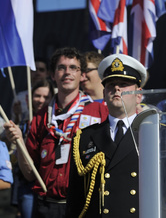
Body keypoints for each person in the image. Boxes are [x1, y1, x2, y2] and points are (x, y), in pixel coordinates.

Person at [4, 47, 109, 218]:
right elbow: (30, 174)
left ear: (82, 75)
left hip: (85, 206)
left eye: (73, 67)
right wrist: (19, 143)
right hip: (47, 207)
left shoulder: (99, 111)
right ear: (53, 75)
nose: (67, 72)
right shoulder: (40, 117)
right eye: (61, 67)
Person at [66, 53, 147, 218]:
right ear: (104, 94)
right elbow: (75, 198)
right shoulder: (84, 138)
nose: (116, 89)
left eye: (124, 84)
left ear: (139, 95)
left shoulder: (152, 134)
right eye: (111, 85)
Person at [10, 79, 55, 218]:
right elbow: (13, 151)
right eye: (37, 96)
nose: (41, 100)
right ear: (29, 97)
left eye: (46, 97)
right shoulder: (24, 122)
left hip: (48, 184)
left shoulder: (56, 123)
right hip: (27, 184)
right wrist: (17, 119)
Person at [11, 57, 50, 124]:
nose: (37, 73)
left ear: (48, 73)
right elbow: (14, 124)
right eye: (34, 69)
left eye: (41, 70)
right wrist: (17, 116)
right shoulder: (19, 98)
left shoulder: (56, 94)